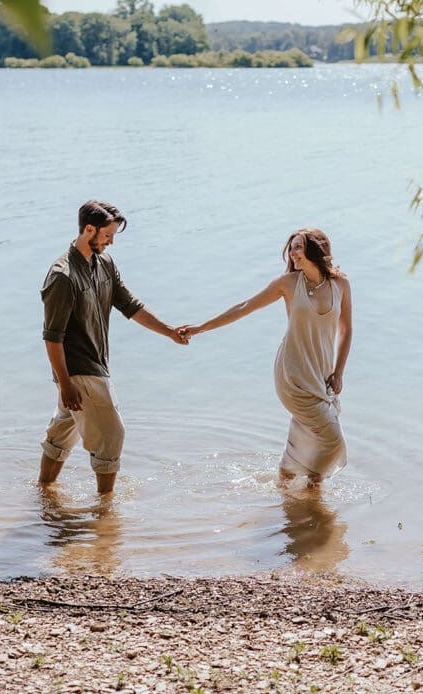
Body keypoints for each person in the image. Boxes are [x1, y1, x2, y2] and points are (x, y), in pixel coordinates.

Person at [181, 228, 351, 487]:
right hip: (292, 372)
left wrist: (339, 371)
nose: (293, 253)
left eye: (298, 247)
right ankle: (314, 482)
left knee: (308, 429)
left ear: (315, 250)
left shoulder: (341, 285)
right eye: (291, 248)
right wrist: (201, 327)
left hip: (321, 371)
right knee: (333, 439)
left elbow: (346, 329)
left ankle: (288, 476)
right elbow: (244, 307)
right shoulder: (288, 284)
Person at [38, 200, 188, 494]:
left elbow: (130, 306)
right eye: (108, 235)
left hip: (95, 364)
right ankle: (106, 510)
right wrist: (66, 385)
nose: (111, 241)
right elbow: (51, 337)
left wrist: (169, 332)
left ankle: (43, 492)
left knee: (63, 430)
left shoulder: (104, 264)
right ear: (89, 230)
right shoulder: (62, 277)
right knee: (112, 434)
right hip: (79, 370)